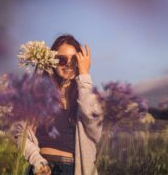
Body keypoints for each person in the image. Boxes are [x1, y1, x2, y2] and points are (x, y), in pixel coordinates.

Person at [13, 34, 103, 175]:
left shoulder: (85, 93)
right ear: (52, 61)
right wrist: (38, 162)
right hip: (41, 168)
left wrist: (84, 75)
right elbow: (20, 134)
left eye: (74, 59)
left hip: (73, 170)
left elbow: (95, 130)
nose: (68, 64)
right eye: (61, 59)